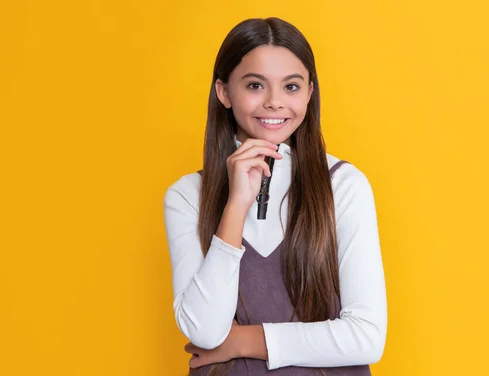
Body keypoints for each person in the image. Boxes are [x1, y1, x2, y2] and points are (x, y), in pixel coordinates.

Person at [163, 17, 387, 376]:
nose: (275, 103)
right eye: (255, 85)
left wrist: (243, 342)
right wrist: (235, 205)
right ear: (223, 92)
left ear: (310, 92)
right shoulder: (187, 196)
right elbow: (203, 330)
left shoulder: (344, 186)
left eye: (291, 87)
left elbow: (366, 336)